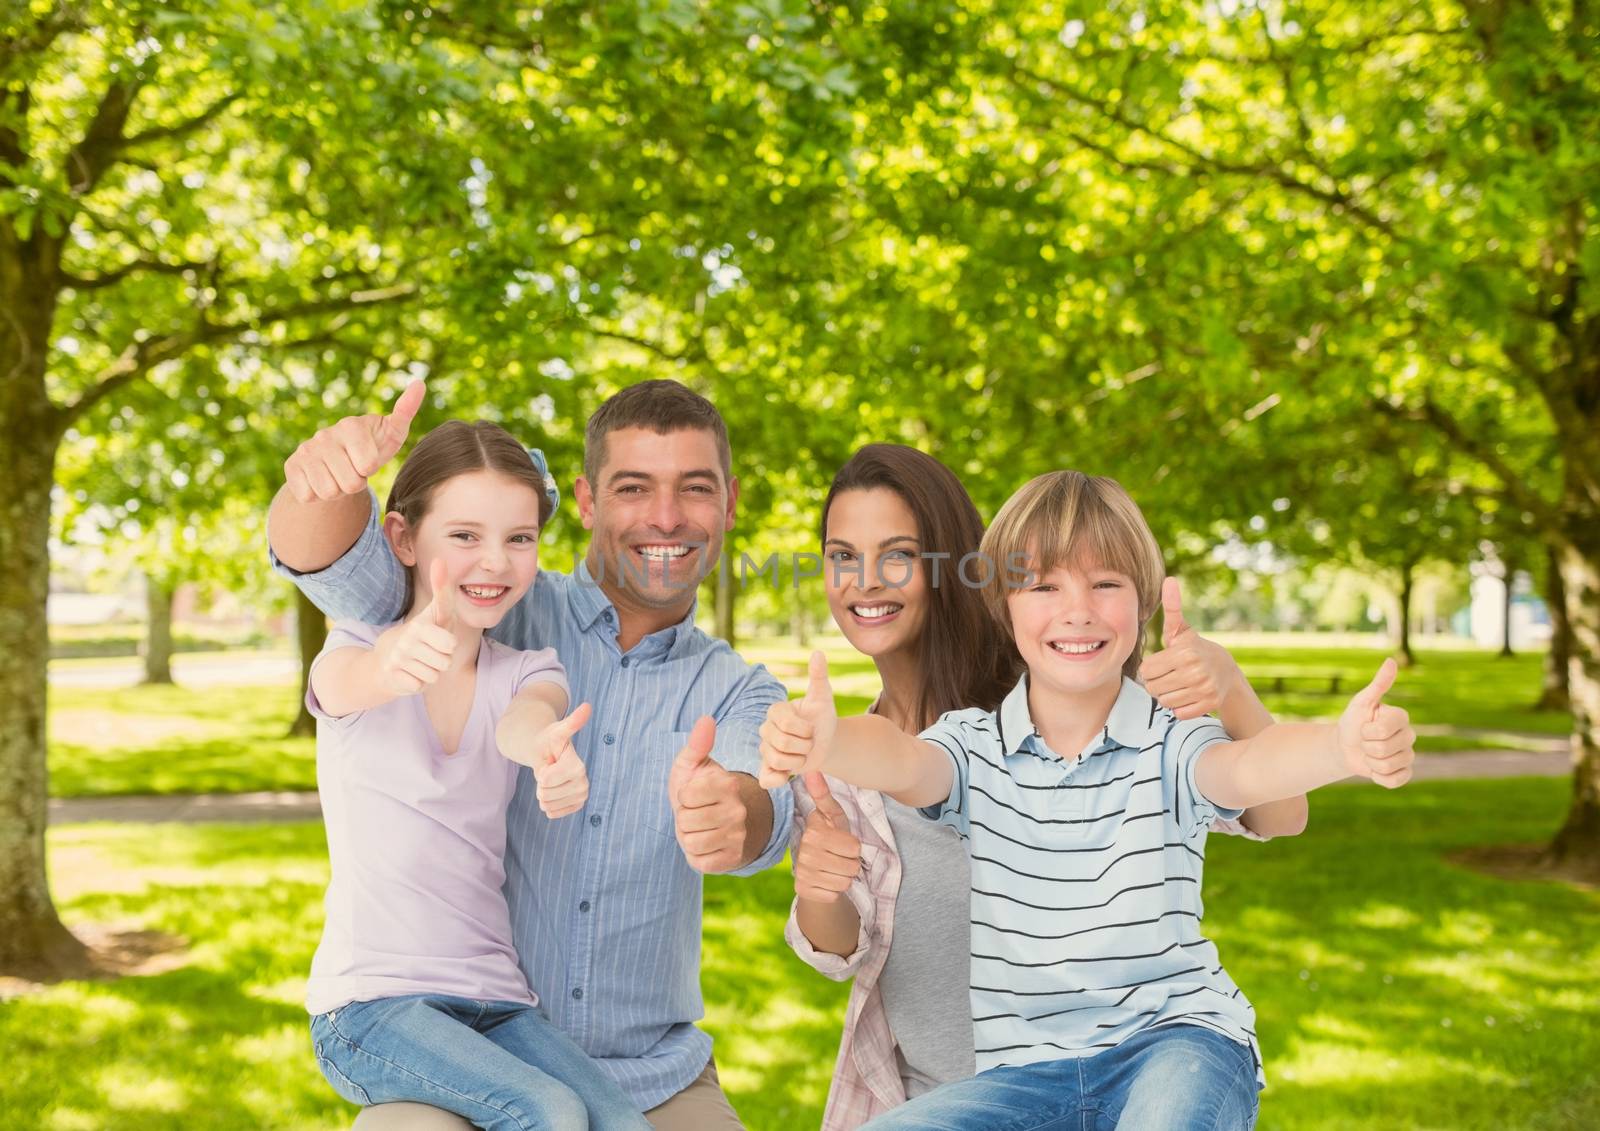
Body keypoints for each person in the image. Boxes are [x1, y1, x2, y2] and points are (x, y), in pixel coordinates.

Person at [762, 470, 1415, 1131]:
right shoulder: (973, 747)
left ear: (1143, 606)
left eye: (1106, 583)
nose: (1077, 609)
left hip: (1172, 1043)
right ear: (1003, 604)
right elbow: (900, 757)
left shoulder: (1169, 739)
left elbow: (1251, 769)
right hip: (1025, 1074)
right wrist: (830, 737)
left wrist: (1342, 747)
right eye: (1045, 585)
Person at [270, 379, 793, 1129]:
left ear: (731, 503)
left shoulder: (736, 688)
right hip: (430, 1047)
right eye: (635, 487)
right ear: (584, 500)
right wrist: (322, 485)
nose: (667, 516)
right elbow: (331, 563)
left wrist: (734, 811)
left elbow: (764, 811)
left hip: (649, 1070)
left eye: (695, 488)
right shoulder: (490, 599)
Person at [303, 419, 648, 1130]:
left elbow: (525, 719)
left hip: (498, 1002)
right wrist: (388, 665)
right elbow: (346, 685)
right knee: (548, 1110)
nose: (495, 561)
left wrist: (549, 750)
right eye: (465, 536)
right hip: (370, 1007)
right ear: (404, 539)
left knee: (623, 1122)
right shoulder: (356, 648)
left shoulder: (528, 667)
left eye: (519, 538)